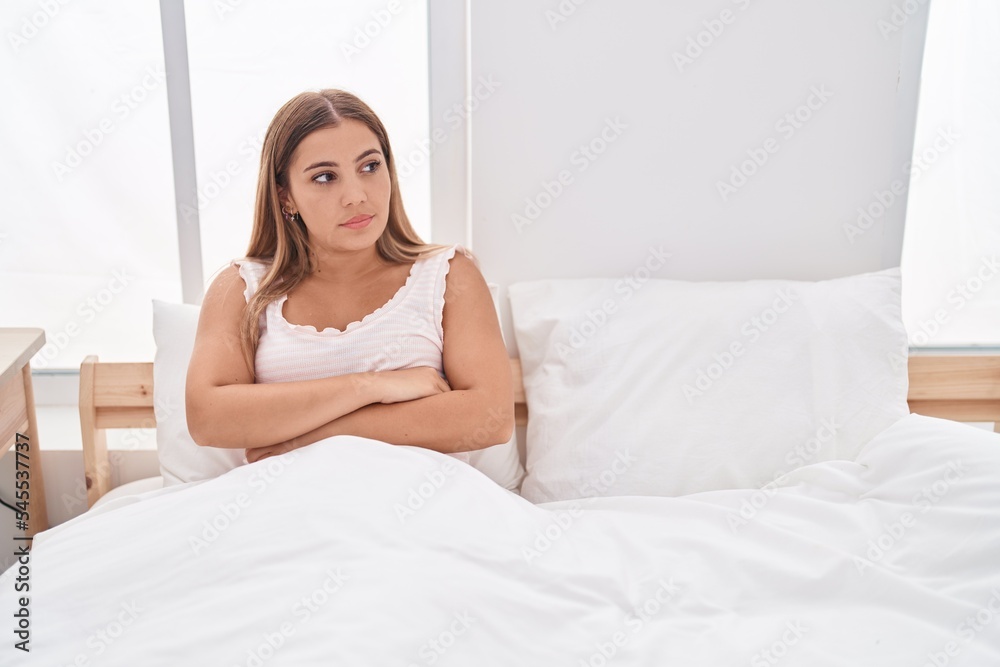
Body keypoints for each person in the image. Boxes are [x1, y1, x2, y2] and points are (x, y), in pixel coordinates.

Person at [185, 89, 514, 465]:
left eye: (370, 166)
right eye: (325, 177)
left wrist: (316, 436)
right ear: (285, 197)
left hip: (421, 509)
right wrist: (371, 385)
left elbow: (492, 417)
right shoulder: (243, 288)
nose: (356, 195)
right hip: (289, 509)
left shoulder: (448, 275)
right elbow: (207, 417)